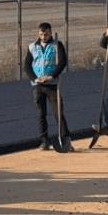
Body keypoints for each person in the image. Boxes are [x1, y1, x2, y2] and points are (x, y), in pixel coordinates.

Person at [23, 23, 72, 152]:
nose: (43, 36)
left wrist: (51, 76)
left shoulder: (57, 45)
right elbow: (27, 66)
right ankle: (44, 141)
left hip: (52, 85)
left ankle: (66, 141)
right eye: (41, 34)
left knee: (58, 114)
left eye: (46, 34)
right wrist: (35, 78)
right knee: (41, 115)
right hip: (37, 86)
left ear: (50, 33)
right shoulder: (32, 47)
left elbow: (62, 62)